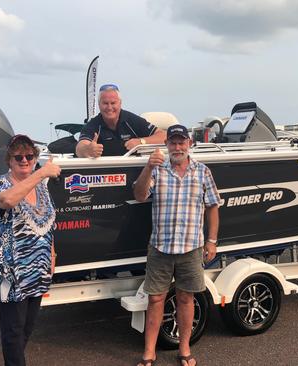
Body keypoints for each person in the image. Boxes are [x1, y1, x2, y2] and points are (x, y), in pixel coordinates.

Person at [133, 125, 220, 366]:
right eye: (173, 142)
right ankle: (149, 353)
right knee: (155, 300)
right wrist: (148, 167)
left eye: (182, 142)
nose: (177, 147)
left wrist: (211, 242)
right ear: (167, 145)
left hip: (191, 248)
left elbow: (213, 207)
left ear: (189, 144)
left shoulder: (202, 172)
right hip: (160, 247)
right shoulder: (157, 170)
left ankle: (184, 351)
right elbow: (140, 195)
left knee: (186, 299)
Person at [0, 134, 61, 366]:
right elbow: (8, 201)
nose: (24, 160)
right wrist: (41, 172)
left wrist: (52, 254)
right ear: (9, 160)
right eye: (18, 156)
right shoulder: (1, 183)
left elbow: (48, 220)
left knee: (26, 329)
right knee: (13, 332)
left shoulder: (41, 188)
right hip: (13, 274)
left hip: (38, 270)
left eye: (29, 156)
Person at [76, 83, 166, 157]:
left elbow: (164, 136)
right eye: (105, 103)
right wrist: (88, 150)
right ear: (99, 105)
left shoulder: (131, 120)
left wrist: (140, 142)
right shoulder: (93, 124)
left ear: (120, 103)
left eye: (113, 103)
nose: (109, 107)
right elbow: (79, 148)